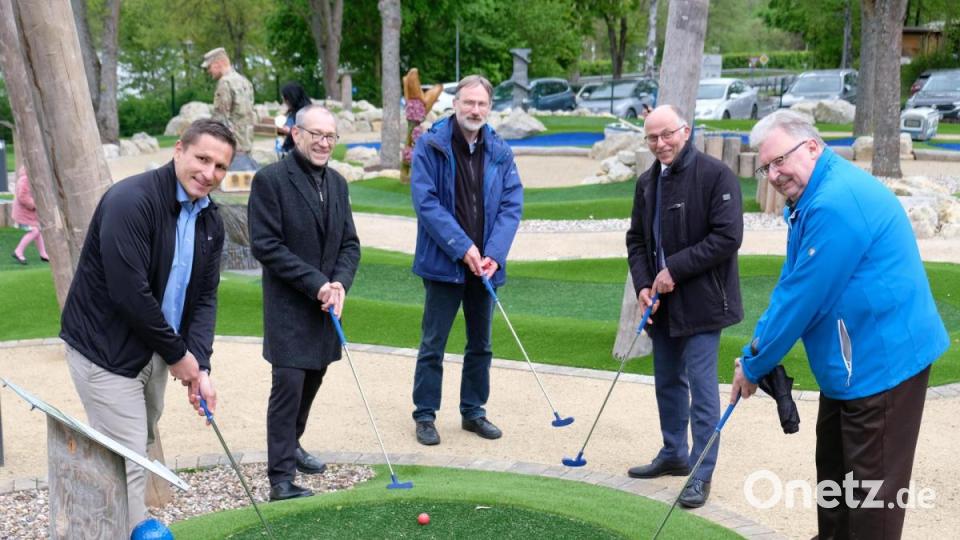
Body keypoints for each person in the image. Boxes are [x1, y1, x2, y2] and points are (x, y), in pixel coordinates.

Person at [730, 110, 948, 538]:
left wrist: (753, 363)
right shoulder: (811, 196)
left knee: (871, 499)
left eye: (779, 161)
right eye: (765, 165)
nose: (773, 174)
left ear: (812, 146)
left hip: (883, 364)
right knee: (834, 476)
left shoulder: (834, 202)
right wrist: (755, 350)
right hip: (853, 367)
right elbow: (793, 282)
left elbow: (801, 300)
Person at [60, 119, 233, 532]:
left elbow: (205, 298)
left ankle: (102, 523)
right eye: (202, 158)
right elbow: (129, 293)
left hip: (153, 348)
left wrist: (201, 366)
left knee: (137, 442)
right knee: (128, 459)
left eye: (220, 166)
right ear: (178, 150)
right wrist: (179, 357)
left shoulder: (211, 221)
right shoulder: (131, 200)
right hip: (105, 349)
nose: (209, 173)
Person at [624, 104, 744, 508]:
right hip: (662, 304)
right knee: (667, 382)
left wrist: (673, 269)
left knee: (702, 389)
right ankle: (674, 452)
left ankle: (700, 472)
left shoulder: (716, 175)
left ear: (685, 131)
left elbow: (727, 237)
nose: (660, 144)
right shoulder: (646, 183)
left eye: (667, 135)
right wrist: (644, 283)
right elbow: (637, 240)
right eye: (652, 138)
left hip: (705, 303)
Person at [248, 104, 361, 501]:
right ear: (295, 135)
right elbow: (266, 245)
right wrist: (317, 284)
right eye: (316, 135)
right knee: (289, 386)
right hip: (289, 307)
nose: (324, 143)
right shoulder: (270, 180)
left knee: (313, 378)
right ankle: (280, 478)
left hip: (326, 305)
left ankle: (292, 445)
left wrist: (340, 285)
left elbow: (349, 243)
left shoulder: (338, 184)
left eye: (331, 136)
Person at [409, 74, 523, 446]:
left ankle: (473, 411)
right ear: (455, 104)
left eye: (482, 104)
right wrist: (463, 247)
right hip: (445, 263)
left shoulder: (500, 150)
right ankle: (425, 415)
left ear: (489, 108)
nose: (475, 110)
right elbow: (426, 203)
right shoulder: (431, 145)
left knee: (481, 344)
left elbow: (511, 204)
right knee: (434, 343)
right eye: (468, 103)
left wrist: (493, 253)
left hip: (485, 266)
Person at [202, 47, 257, 170]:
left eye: (209, 67)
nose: (209, 71)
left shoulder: (224, 83)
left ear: (218, 64)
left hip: (231, 148)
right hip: (246, 144)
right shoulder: (245, 82)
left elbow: (220, 120)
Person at [10, 166, 49, 264]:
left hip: (27, 213)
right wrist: (34, 205)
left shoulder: (28, 178)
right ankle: (18, 251)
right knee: (34, 231)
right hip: (23, 214)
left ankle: (43, 254)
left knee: (37, 231)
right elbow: (22, 197)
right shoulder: (25, 179)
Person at [277, 81, 312, 155]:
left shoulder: (306, 113)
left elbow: (308, 135)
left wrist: (289, 131)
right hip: (290, 150)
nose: (284, 101)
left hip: (299, 155)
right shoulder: (293, 111)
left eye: (285, 99)